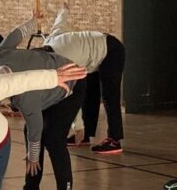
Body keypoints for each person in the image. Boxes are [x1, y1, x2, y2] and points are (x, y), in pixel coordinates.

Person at [0, 19, 86, 190]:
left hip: (71, 81)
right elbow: (15, 35)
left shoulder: (24, 95)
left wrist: (32, 157)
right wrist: (33, 21)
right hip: (47, 82)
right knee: (30, 135)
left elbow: (36, 127)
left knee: (54, 140)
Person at [43, 20, 126, 155]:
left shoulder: (65, 60)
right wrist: (64, 10)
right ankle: (86, 135)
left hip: (111, 50)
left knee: (110, 96)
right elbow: (60, 23)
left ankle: (114, 140)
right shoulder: (49, 42)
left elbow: (73, 94)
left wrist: (78, 127)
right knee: (89, 94)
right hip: (93, 55)